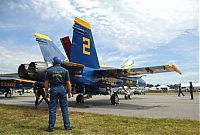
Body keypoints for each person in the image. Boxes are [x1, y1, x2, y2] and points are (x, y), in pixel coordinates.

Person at [44, 56, 72, 132]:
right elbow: (68, 83)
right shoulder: (65, 71)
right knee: (64, 109)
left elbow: (46, 83)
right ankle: (67, 126)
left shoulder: (49, 71)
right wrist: (69, 92)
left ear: (53, 62)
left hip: (53, 89)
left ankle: (51, 127)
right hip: (62, 89)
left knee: (52, 109)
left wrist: (46, 92)